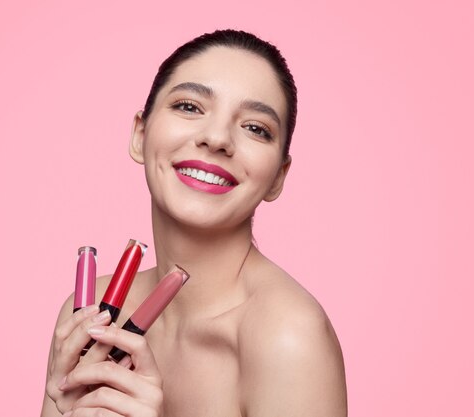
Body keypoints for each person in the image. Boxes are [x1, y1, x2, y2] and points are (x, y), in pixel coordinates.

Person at [41, 29, 347, 417]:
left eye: (256, 128)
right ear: (140, 134)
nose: (217, 137)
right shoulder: (91, 317)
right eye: (189, 106)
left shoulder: (288, 337)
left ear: (278, 178)